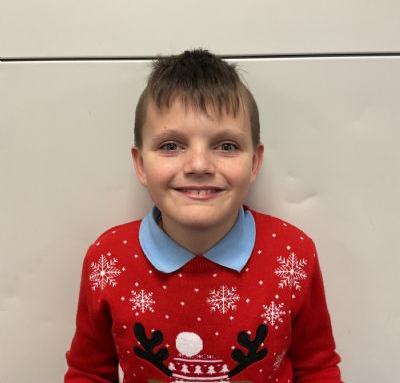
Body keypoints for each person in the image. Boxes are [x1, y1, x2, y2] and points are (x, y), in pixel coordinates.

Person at [65, 49, 342, 383]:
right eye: (171, 145)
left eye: (226, 146)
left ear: (254, 163)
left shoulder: (293, 254)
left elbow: (317, 368)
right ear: (140, 164)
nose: (199, 165)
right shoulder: (107, 259)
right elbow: (89, 373)